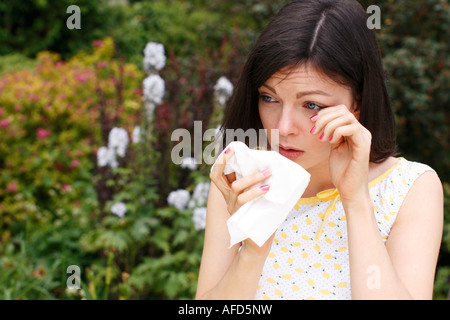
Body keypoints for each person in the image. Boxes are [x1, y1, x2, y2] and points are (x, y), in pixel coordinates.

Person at [195, 0, 443, 300]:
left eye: (311, 105)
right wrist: (254, 249)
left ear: (357, 104)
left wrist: (355, 199)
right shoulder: (243, 178)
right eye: (269, 98)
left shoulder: (408, 189)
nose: (283, 127)